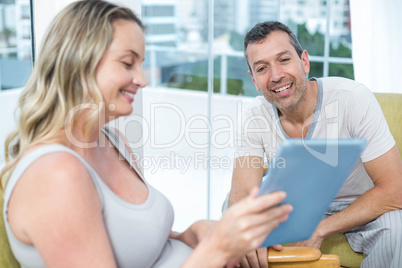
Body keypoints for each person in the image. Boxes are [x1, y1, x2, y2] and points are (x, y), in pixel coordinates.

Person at [0, 3, 293, 268]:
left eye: (140, 63)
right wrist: (217, 248)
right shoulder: (55, 175)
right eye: (128, 63)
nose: (142, 79)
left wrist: (195, 234)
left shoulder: (114, 142)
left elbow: (144, 246)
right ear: (79, 62)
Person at [225, 21, 402, 268]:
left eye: (284, 60)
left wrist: (319, 230)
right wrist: (247, 230)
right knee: (232, 212)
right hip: (292, 206)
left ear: (304, 61)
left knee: (396, 226)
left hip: (357, 203)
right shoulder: (254, 115)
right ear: (254, 80)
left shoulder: (353, 99)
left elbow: (394, 191)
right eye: (262, 68)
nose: (276, 76)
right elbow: (242, 191)